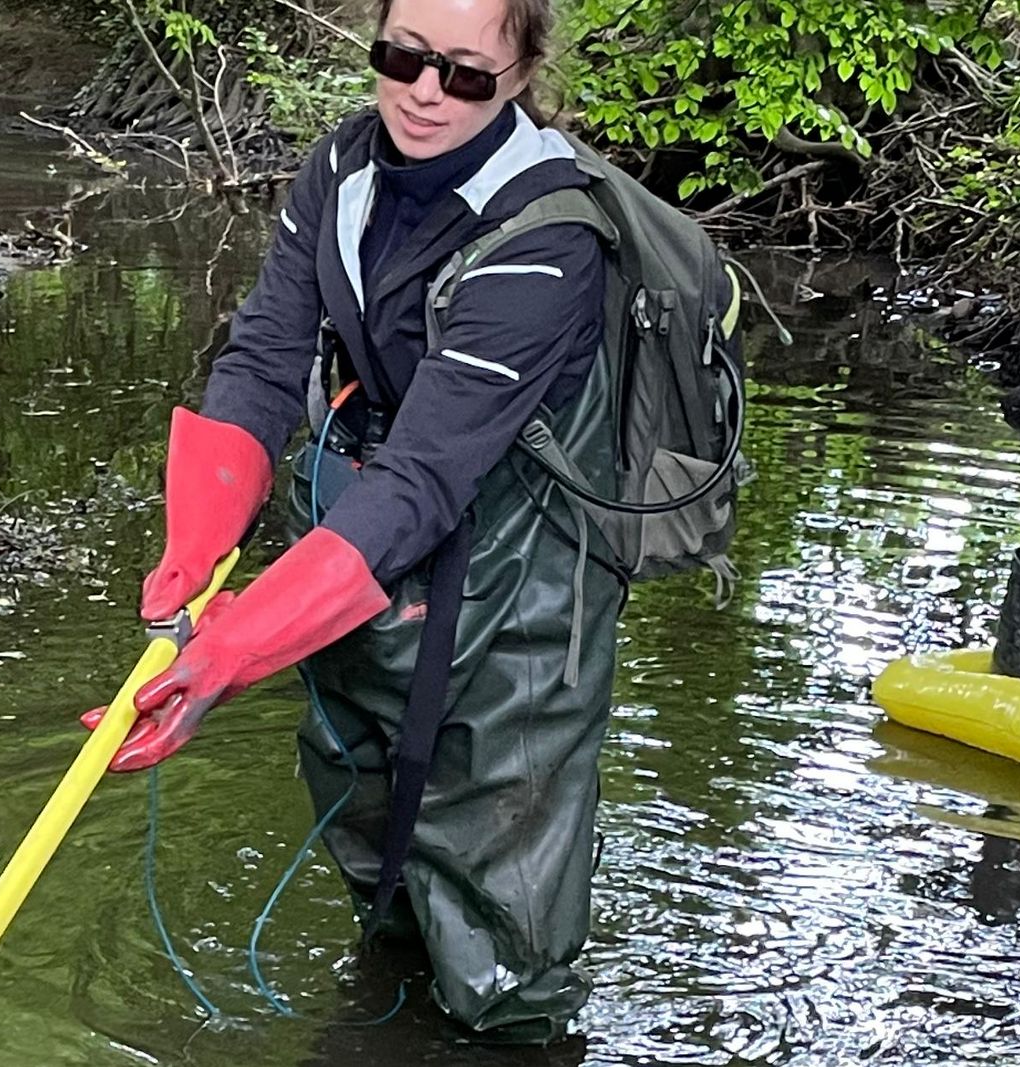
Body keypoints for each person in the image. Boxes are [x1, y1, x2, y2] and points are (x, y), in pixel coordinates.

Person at [82, 0, 625, 1046]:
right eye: (403, 57)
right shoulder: (338, 170)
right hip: (367, 535)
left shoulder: (548, 239)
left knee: (500, 901)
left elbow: (427, 472)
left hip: (514, 576)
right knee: (369, 819)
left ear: (516, 76)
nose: (425, 92)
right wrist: (194, 551)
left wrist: (235, 645)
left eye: (466, 74)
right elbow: (262, 360)